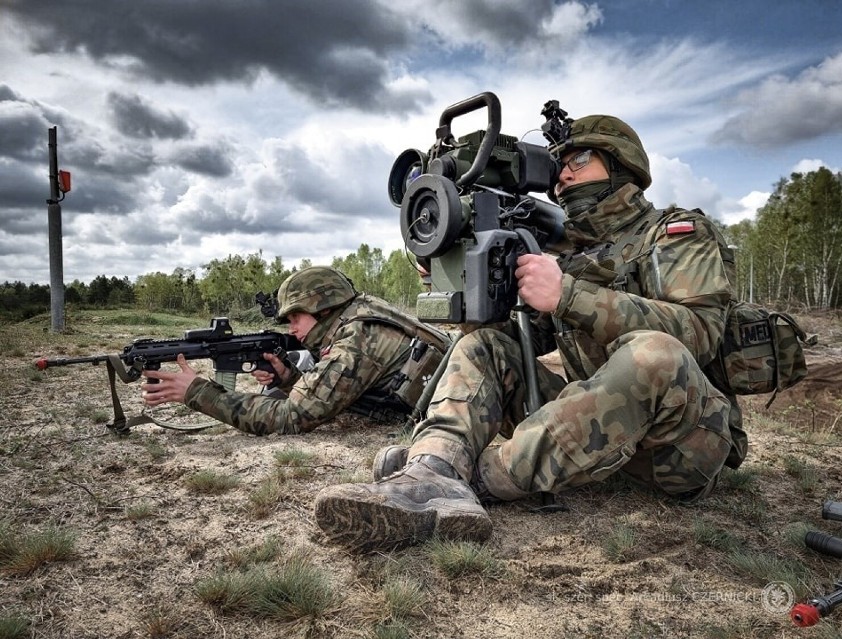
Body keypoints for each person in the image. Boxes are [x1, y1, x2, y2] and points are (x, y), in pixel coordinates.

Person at [314, 114, 747, 553]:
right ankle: (435, 467)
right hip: (594, 441)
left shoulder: (677, 235)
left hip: (677, 447)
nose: (563, 173)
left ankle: (482, 477)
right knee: (484, 345)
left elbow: (700, 332)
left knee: (655, 354)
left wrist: (568, 295)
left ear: (622, 164)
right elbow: (511, 341)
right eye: (558, 163)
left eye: (579, 158)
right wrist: (463, 281)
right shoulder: (568, 252)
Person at [140, 266, 451, 435]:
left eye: (295, 317)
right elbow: (338, 390)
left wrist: (196, 392)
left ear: (322, 307)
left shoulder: (354, 343)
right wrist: (289, 378)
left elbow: (290, 418)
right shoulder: (359, 315)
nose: (291, 329)